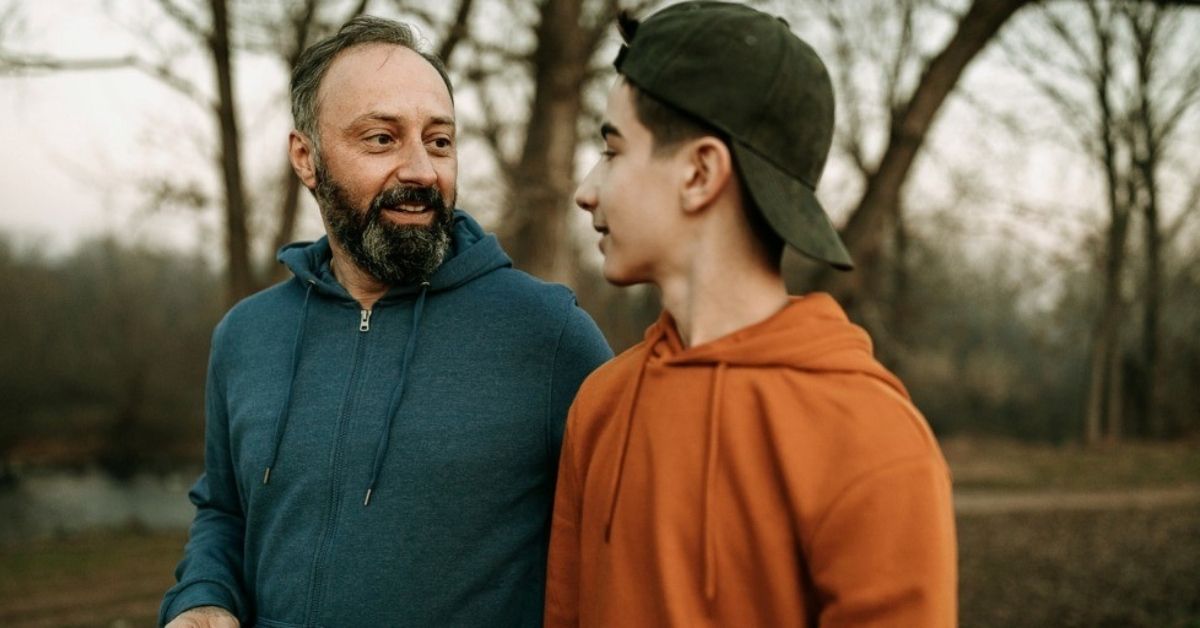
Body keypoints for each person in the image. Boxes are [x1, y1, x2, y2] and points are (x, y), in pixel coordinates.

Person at [159, 16, 612, 628]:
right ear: (306, 157)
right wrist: (203, 598)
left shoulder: (548, 334)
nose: (422, 171)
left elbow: (620, 551)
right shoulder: (246, 336)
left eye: (440, 141)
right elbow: (224, 511)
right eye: (381, 139)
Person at [544, 3, 957, 627]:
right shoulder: (599, 407)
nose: (587, 190)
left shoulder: (873, 442)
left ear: (700, 173)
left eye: (613, 151)